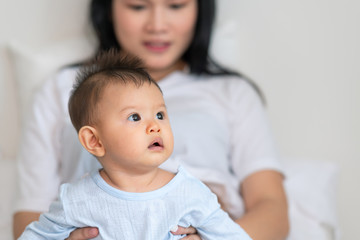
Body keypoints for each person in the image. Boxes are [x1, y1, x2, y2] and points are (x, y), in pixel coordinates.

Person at [13, 0, 289, 239]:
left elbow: (272, 208)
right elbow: (31, 215)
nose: (157, 25)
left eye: (176, 5)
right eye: (138, 6)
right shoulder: (62, 89)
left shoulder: (233, 92)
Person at [19, 52, 252, 240]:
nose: (155, 126)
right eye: (134, 117)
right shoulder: (76, 200)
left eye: (160, 114)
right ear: (95, 141)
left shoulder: (191, 193)